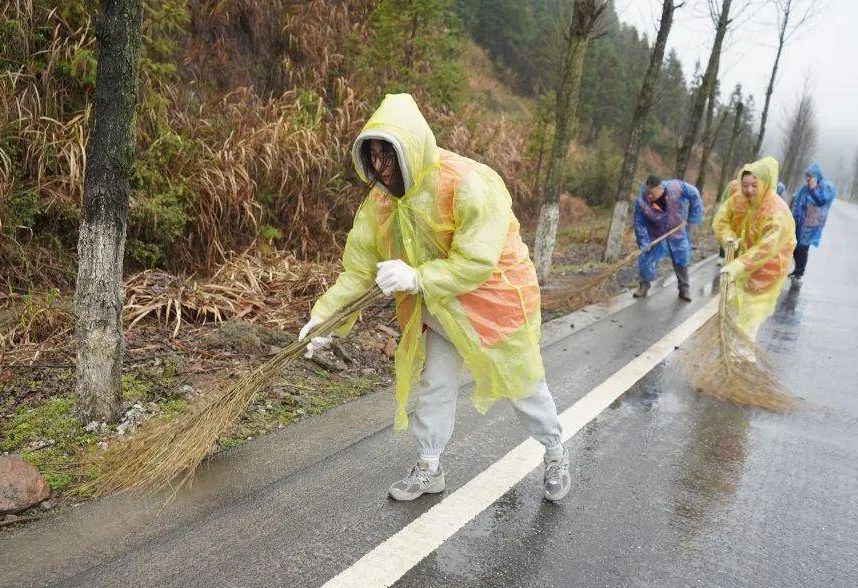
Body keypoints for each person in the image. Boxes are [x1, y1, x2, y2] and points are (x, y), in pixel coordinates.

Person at [298, 93, 570, 502]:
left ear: (411, 149)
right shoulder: (381, 203)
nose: (380, 168)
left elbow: (477, 260)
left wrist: (417, 276)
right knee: (435, 385)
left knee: (522, 383)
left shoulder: (466, 184)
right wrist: (326, 320)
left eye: (387, 157)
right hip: (436, 306)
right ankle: (429, 466)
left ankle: (554, 452)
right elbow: (356, 271)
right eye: (372, 157)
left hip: (491, 303)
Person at [712, 157, 796, 340]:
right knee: (734, 312)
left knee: (749, 321)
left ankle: (743, 357)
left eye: (754, 185)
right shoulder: (739, 200)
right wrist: (727, 237)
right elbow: (722, 220)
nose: (748, 190)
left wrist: (738, 265)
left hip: (767, 270)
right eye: (745, 185)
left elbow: (767, 248)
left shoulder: (777, 213)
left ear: (765, 184)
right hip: (741, 266)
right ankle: (732, 351)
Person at [631, 174, 704, 301]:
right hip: (655, 231)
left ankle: (684, 288)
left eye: (652, 193)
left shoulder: (676, 187)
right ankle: (643, 286)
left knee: (680, 257)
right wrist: (644, 241)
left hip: (676, 228)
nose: (649, 196)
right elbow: (639, 222)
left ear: (660, 187)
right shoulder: (642, 201)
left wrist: (692, 217)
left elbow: (695, 194)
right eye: (647, 193)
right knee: (647, 258)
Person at [789, 163, 837, 285]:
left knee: (802, 247)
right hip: (800, 221)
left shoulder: (825, 187)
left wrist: (813, 189)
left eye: (810, 176)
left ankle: (799, 272)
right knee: (794, 245)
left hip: (811, 224)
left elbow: (821, 201)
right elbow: (798, 202)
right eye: (807, 176)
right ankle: (796, 270)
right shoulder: (805, 188)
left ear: (816, 176)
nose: (808, 179)